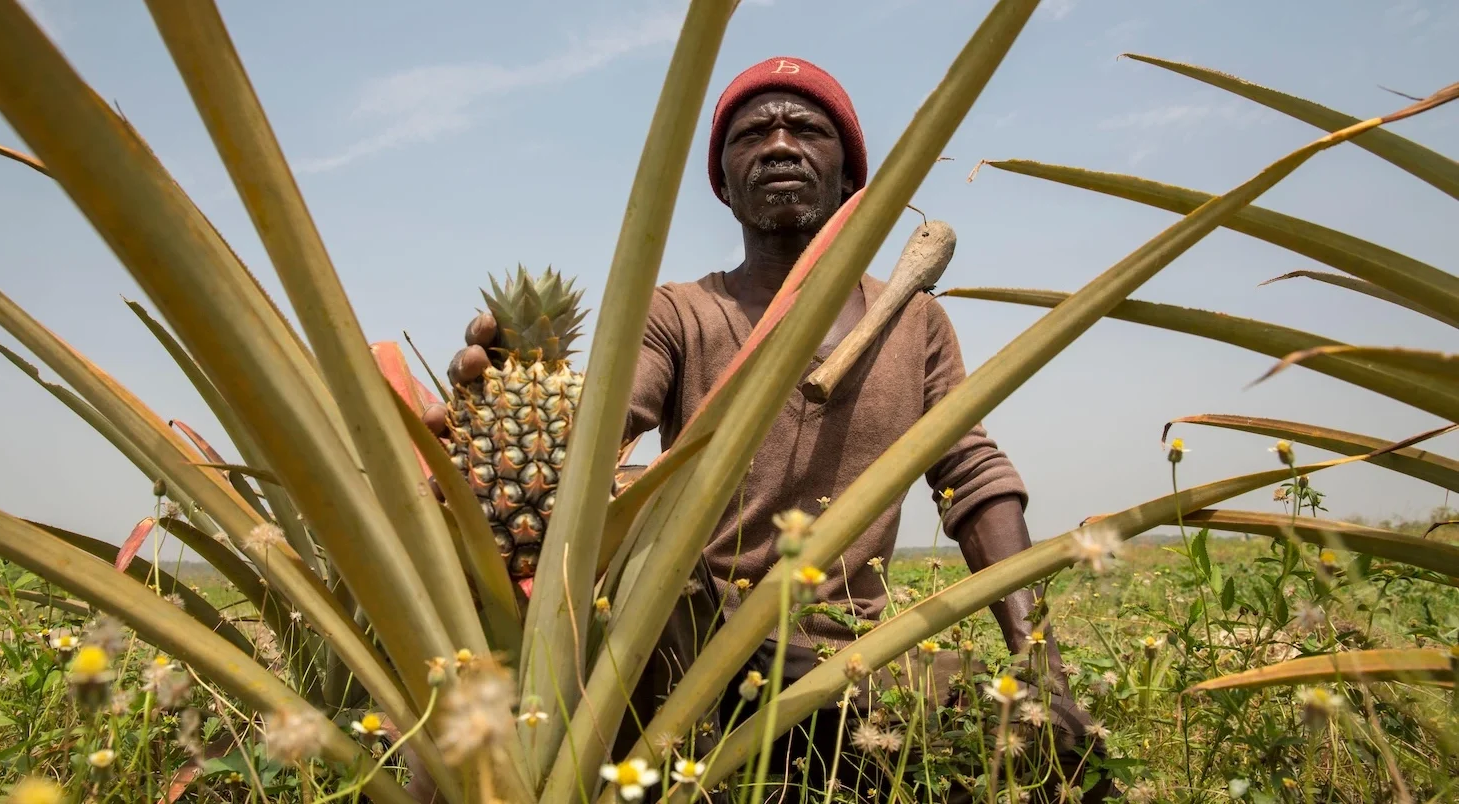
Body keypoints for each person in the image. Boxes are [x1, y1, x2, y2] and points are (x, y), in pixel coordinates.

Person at [430, 56, 1108, 802]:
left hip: (851, 650)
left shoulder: (916, 321)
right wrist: (517, 395)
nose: (779, 143)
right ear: (723, 183)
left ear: (849, 175)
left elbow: (972, 477)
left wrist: (1039, 660)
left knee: (1055, 753)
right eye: (752, 132)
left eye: (806, 128)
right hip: (696, 644)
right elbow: (609, 418)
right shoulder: (680, 311)